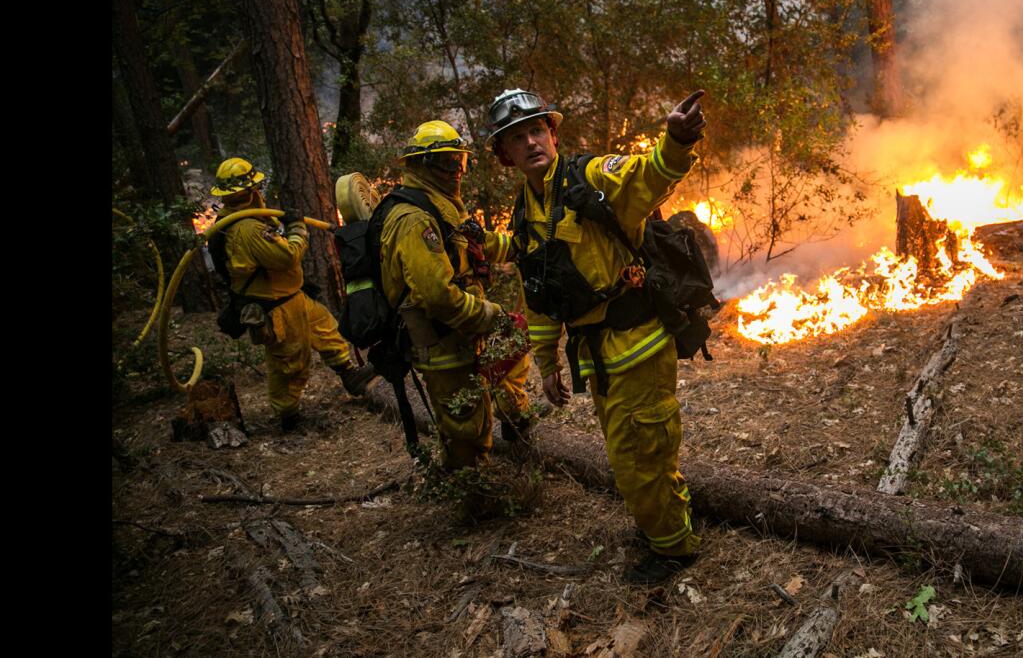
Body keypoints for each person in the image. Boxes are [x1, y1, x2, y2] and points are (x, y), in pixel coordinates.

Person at [486, 87, 707, 584]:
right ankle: (665, 519)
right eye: (516, 138)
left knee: (640, 454)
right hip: (598, 358)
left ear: (553, 133)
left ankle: (675, 550)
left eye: (537, 130)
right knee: (629, 452)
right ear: (504, 155)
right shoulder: (525, 210)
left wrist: (674, 141)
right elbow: (538, 295)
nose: (530, 142)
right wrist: (546, 365)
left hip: (638, 345)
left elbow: (644, 178)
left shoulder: (589, 177)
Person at [376, 120, 533, 472]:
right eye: (446, 163)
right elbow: (438, 297)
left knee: (514, 351)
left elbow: (474, 243)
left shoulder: (440, 206)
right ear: (419, 165)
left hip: (466, 332)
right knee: (466, 427)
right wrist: (491, 315)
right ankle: (469, 490)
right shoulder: (414, 220)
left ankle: (515, 421)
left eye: (458, 162)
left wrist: (523, 246)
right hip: (443, 344)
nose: (455, 171)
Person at [209, 157, 374, 430]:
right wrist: (298, 228)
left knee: (326, 329)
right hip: (276, 307)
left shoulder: (243, 219)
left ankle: (349, 375)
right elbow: (287, 256)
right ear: (250, 191)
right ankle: (288, 416)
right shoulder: (247, 229)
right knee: (289, 362)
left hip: (290, 296)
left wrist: (282, 219)